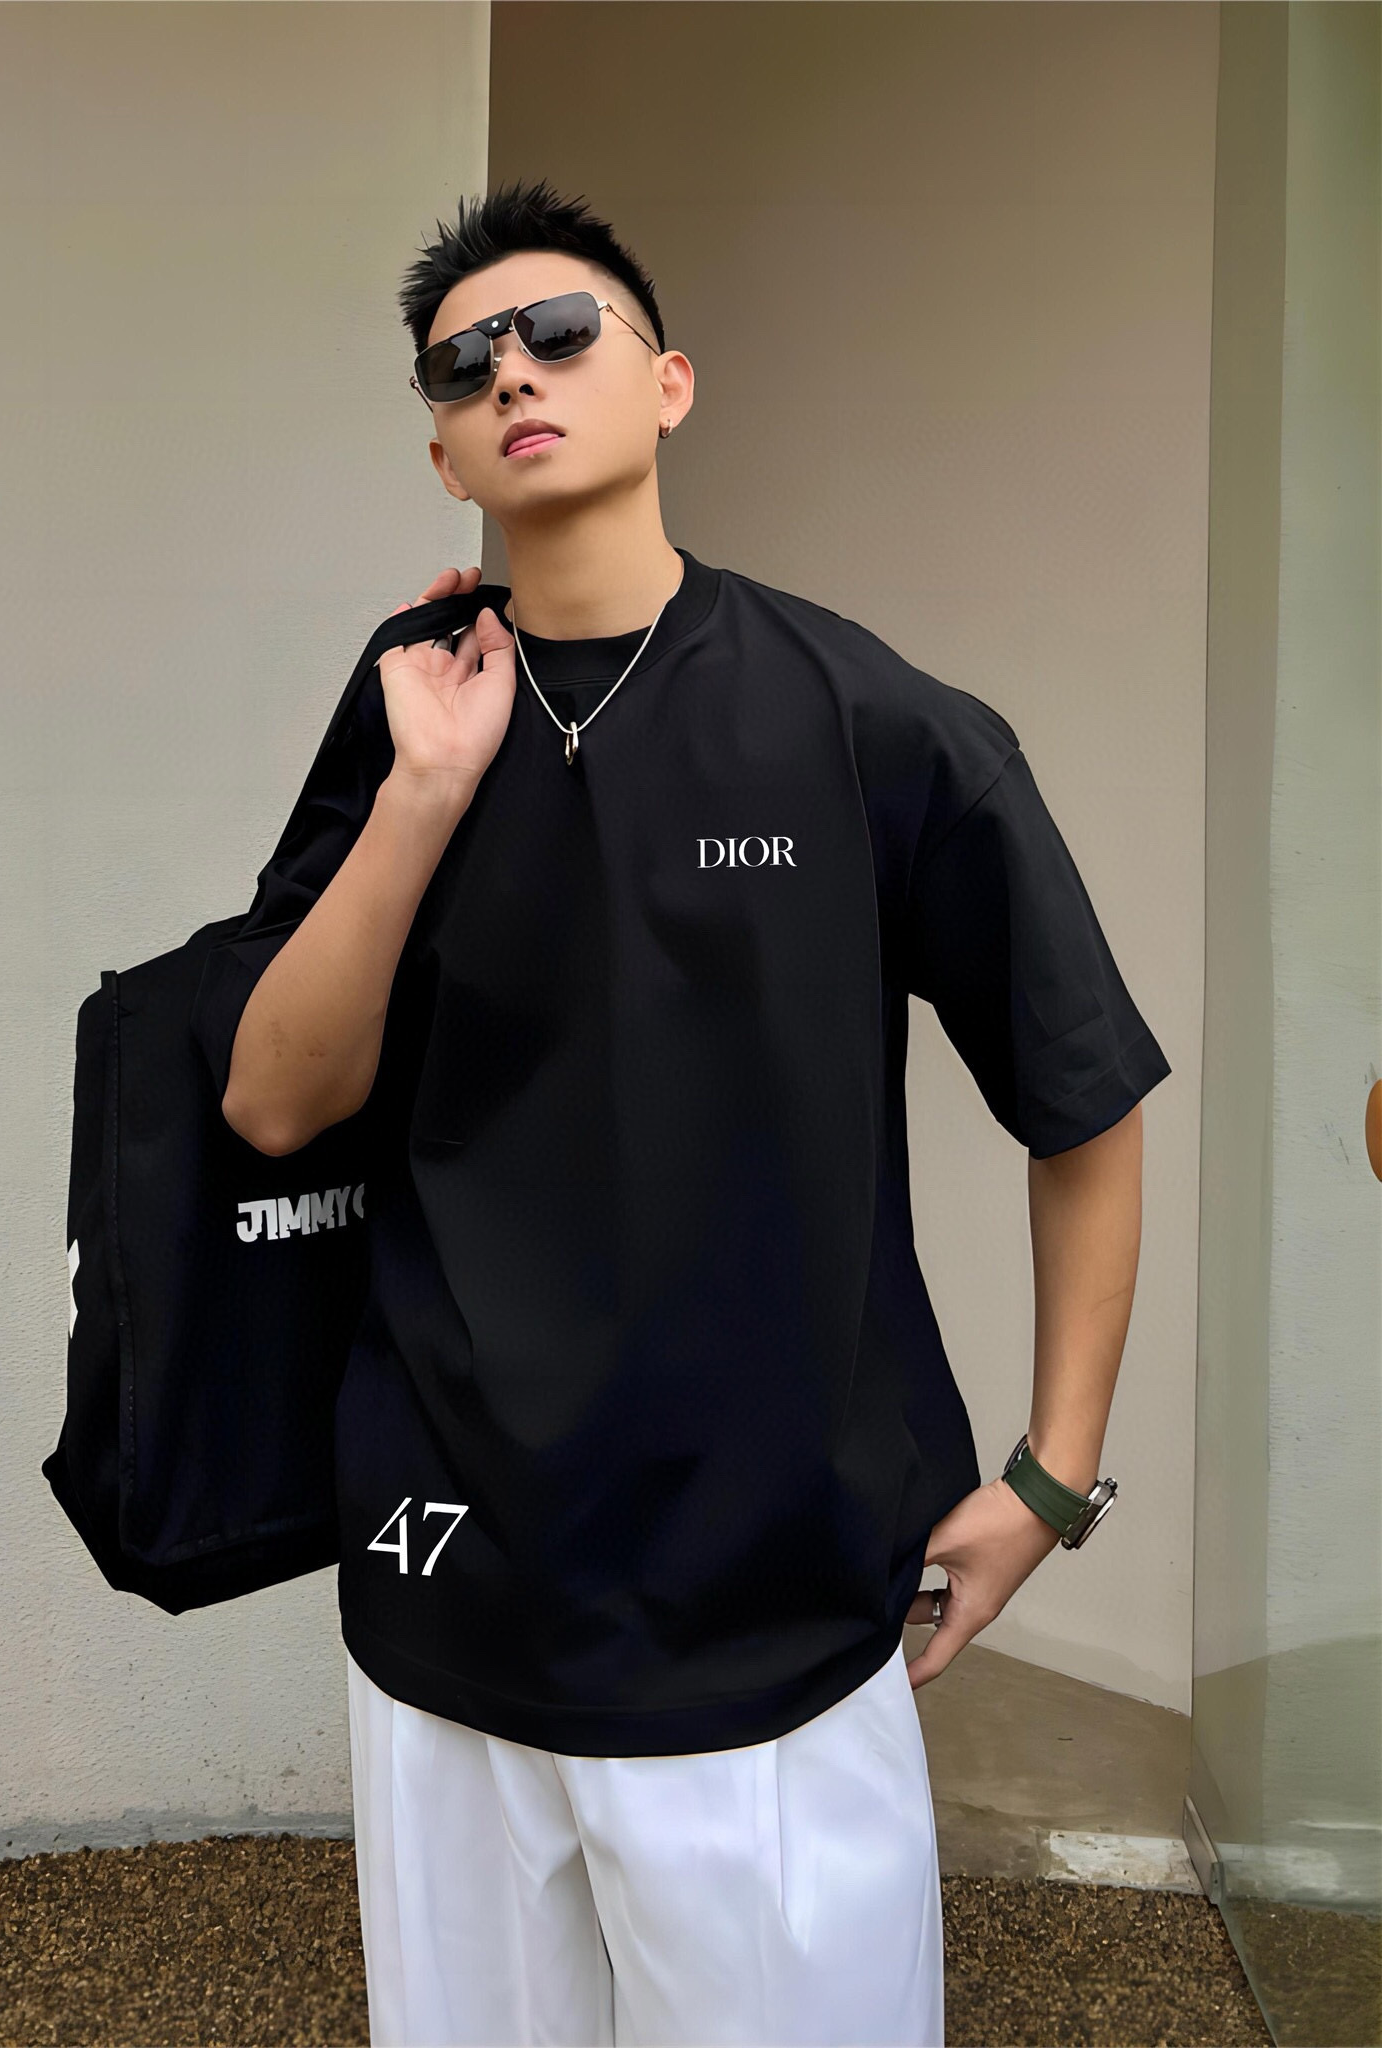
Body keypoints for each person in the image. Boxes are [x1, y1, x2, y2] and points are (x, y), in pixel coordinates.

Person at [191, 176, 1171, 2048]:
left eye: (561, 333)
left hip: (769, 1614)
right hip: (450, 1593)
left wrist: (1054, 1475)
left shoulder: (863, 719)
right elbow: (274, 1097)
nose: (513, 373)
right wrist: (423, 791)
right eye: (463, 364)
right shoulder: (405, 710)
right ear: (441, 453)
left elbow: (1083, 1092)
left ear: (671, 385)